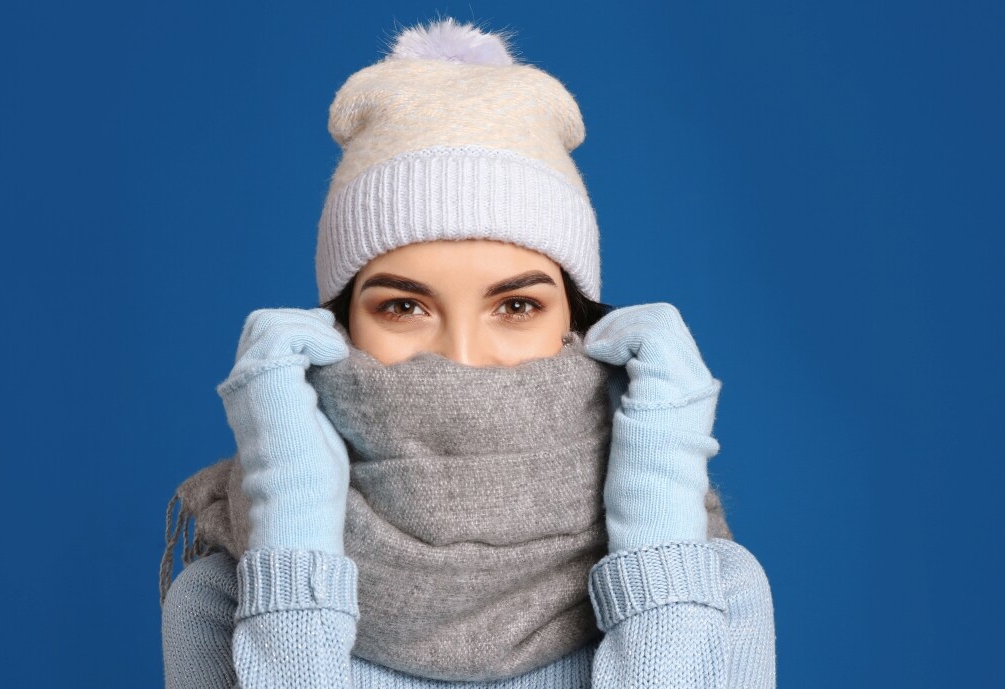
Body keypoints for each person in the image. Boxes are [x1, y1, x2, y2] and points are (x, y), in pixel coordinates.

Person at [159, 18, 776, 689]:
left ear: (577, 323)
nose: (460, 357)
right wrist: (291, 506)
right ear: (338, 329)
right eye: (402, 306)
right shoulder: (227, 596)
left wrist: (659, 505)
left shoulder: (713, 589)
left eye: (516, 306)